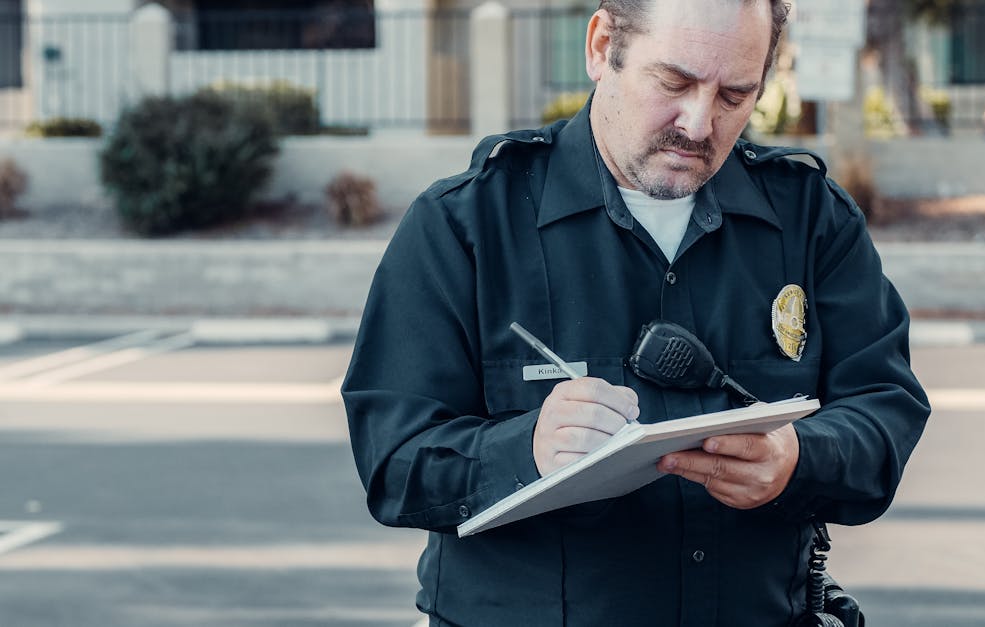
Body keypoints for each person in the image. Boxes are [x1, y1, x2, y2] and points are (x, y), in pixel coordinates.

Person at [342, 0, 930, 624]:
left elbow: (883, 410)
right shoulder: (466, 225)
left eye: (735, 94)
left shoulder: (811, 219)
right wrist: (529, 450)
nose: (700, 124)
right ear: (601, 47)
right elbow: (392, 461)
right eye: (674, 83)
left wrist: (798, 458)